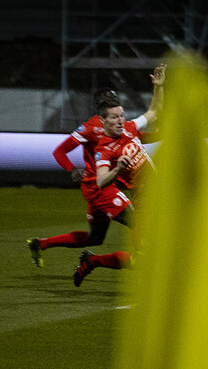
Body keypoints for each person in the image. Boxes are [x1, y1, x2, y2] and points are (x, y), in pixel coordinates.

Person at [28, 64, 163, 274]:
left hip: (111, 183)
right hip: (99, 186)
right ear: (100, 110)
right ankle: (143, 260)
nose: (114, 106)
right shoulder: (91, 129)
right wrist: (72, 169)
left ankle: (45, 244)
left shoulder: (124, 124)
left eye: (115, 101)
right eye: (108, 102)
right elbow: (60, 151)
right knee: (139, 223)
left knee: (96, 238)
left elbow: (140, 128)